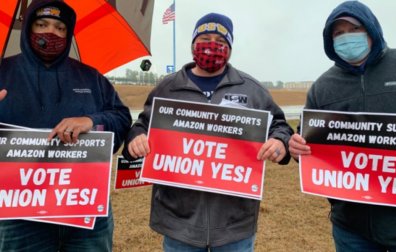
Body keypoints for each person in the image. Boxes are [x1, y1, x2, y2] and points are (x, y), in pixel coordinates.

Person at [123, 12, 293, 252]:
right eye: (205, 40)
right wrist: (136, 137)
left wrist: (279, 141)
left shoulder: (252, 89)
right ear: (193, 45)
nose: (212, 47)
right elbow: (142, 124)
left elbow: (280, 125)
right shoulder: (168, 88)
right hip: (179, 222)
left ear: (231, 48)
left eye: (221, 42)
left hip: (234, 224)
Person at [0, 0, 132, 251]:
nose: (51, 33)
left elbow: (122, 118)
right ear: (28, 28)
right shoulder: (4, 72)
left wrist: (93, 121)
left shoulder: (91, 77)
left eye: (60, 28)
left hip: (86, 214)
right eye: (42, 24)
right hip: (19, 217)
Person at [289, 1, 396, 251]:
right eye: (338, 33)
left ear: (371, 30)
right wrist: (297, 147)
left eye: (354, 29)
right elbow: (310, 141)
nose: (347, 37)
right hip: (352, 229)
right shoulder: (323, 86)